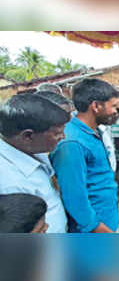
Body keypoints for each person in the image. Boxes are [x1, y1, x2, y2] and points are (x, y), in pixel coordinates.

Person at [50, 78, 119, 232]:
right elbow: (74, 197)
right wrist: (96, 228)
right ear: (96, 106)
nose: (116, 111)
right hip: (94, 230)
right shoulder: (72, 143)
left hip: (106, 219)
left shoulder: (94, 132)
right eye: (114, 106)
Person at [0, 93, 69, 233]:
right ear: (28, 136)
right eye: (57, 133)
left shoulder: (33, 148)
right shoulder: (9, 183)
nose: (63, 137)